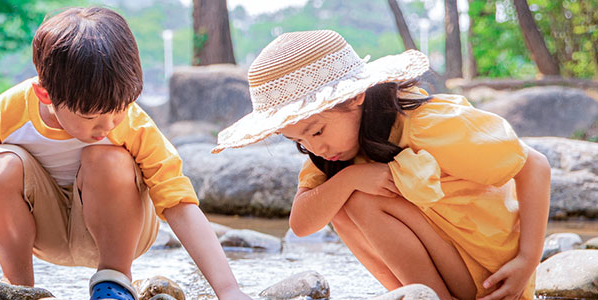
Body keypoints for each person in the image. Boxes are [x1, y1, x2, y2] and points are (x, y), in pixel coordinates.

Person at [211, 30, 551, 300]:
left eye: (316, 131)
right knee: (340, 197)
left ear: (356, 96)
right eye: (299, 141)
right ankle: (416, 295)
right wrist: (353, 177)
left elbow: (534, 165)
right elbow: (301, 225)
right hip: (453, 268)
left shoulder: (429, 124)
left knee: (357, 198)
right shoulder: (333, 154)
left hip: (492, 275)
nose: (314, 146)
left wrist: (527, 261)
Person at [0, 7, 248, 300]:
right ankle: (19, 288)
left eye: (118, 112)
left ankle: (115, 282)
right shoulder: (10, 112)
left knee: (107, 157)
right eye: (91, 116)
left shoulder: (133, 123)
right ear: (45, 94)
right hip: (42, 231)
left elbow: (179, 203)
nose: (106, 126)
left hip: (119, 231)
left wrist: (229, 291)